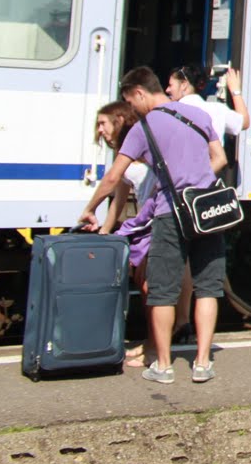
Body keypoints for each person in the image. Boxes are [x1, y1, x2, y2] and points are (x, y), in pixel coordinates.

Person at [81, 66, 227, 385]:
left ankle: (163, 365)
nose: (131, 108)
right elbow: (220, 158)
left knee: (162, 292)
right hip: (206, 211)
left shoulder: (143, 128)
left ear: (140, 93)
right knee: (207, 288)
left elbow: (114, 177)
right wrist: (195, 184)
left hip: (169, 213)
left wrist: (90, 209)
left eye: (130, 101)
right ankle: (203, 363)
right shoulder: (199, 115)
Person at [166, 63, 250, 144]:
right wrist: (235, 90)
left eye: (170, 85)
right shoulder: (217, 110)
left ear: (184, 85)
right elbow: (244, 122)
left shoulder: (169, 112)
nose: (167, 90)